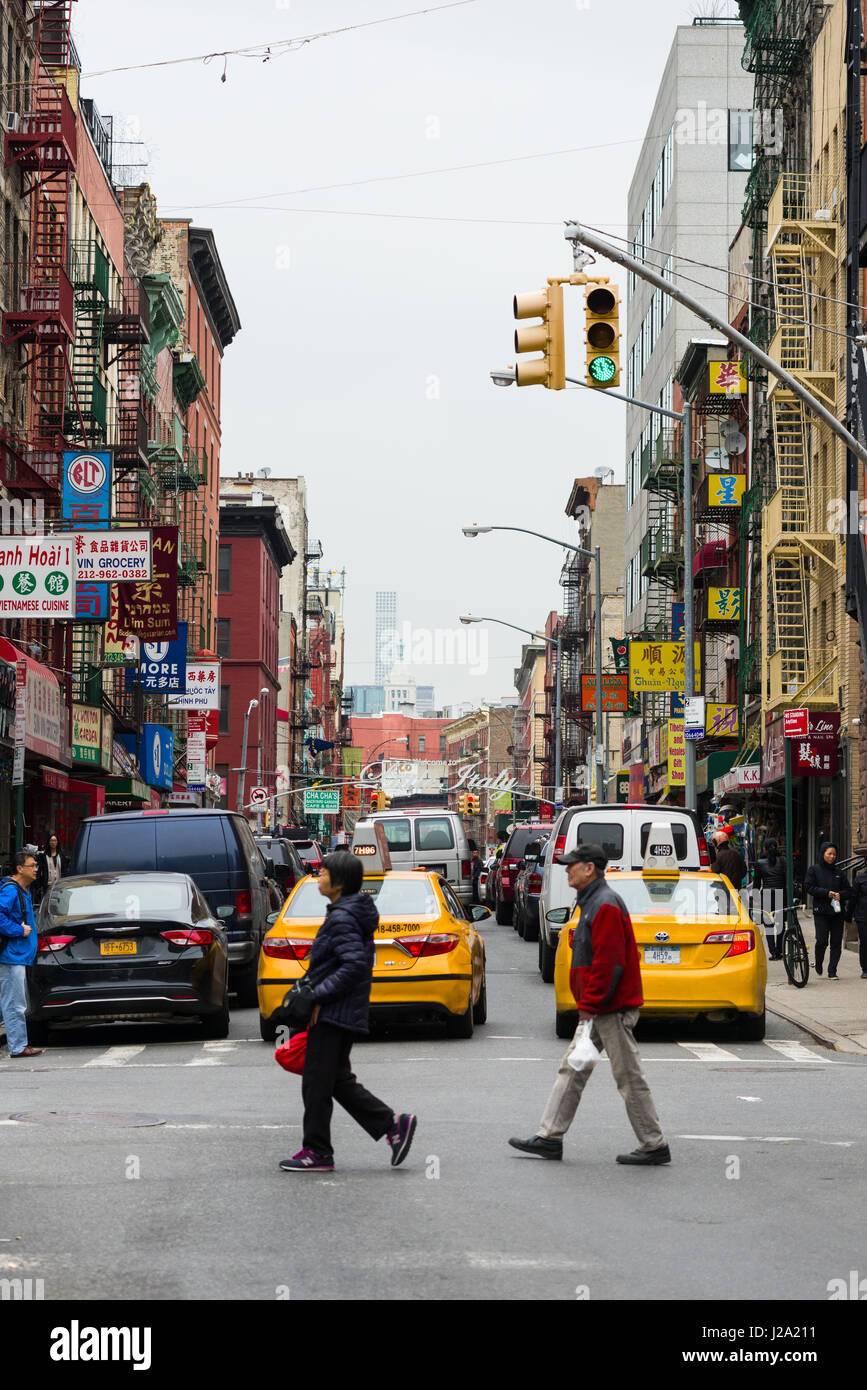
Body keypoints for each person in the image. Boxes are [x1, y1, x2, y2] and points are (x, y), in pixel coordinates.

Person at [508, 843, 669, 1166]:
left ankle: (653, 1144)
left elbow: (609, 963)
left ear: (589, 868)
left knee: (627, 1076)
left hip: (608, 1009)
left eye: (572, 865)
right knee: (574, 1069)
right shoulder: (594, 902)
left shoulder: (604, 904)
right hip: (601, 1008)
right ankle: (549, 1136)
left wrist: (591, 1005)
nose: (567, 870)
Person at [279, 850, 417, 1173]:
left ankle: (317, 1152)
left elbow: (353, 965)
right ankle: (393, 1127)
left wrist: (317, 997)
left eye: (324, 872)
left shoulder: (342, 917)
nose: (319, 876)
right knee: (335, 1080)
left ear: (338, 882)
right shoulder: (345, 912)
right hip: (339, 1011)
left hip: (334, 1013)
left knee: (316, 1082)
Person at [0, 849, 42, 1058]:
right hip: (11, 955)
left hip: (18, 955)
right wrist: (19, 930)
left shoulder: (22, 890)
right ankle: (18, 1046)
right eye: (32, 865)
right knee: (14, 1003)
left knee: (13, 1001)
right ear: (19, 868)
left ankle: (18, 1044)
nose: (36, 869)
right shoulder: (11, 890)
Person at [805, 841, 851, 979]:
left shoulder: (839, 872)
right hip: (821, 912)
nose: (832, 857)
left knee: (836, 942)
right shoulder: (814, 870)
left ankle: (832, 971)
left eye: (834, 854)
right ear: (823, 853)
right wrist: (827, 893)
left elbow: (848, 891)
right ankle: (818, 962)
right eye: (829, 853)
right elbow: (809, 887)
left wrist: (840, 895)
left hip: (837, 913)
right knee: (822, 941)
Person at [753, 837, 787, 960]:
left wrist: (755, 899)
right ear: (776, 847)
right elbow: (787, 880)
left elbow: (756, 884)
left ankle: (773, 952)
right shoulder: (783, 861)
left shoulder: (759, 863)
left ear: (764, 848)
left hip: (766, 895)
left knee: (768, 925)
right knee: (780, 925)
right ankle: (780, 951)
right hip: (781, 895)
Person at [847, 861, 867, 979]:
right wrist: (848, 915)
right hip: (863, 915)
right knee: (865, 943)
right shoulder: (860, 879)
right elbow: (853, 898)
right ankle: (865, 968)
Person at [713, 828, 747, 893]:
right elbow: (744, 871)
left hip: (723, 891)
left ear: (717, 842)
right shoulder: (737, 853)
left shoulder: (718, 856)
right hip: (736, 889)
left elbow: (714, 874)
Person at [35, 833, 65, 906]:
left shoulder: (61, 855)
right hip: (47, 884)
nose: (53, 842)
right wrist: (39, 884)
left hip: (59, 884)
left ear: (57, 842)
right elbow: (40, 870)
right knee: (48, 904)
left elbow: (64, 869)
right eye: (51, 840)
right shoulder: (44, 856)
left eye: (55, 840)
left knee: (58, 903)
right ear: (48, 842)